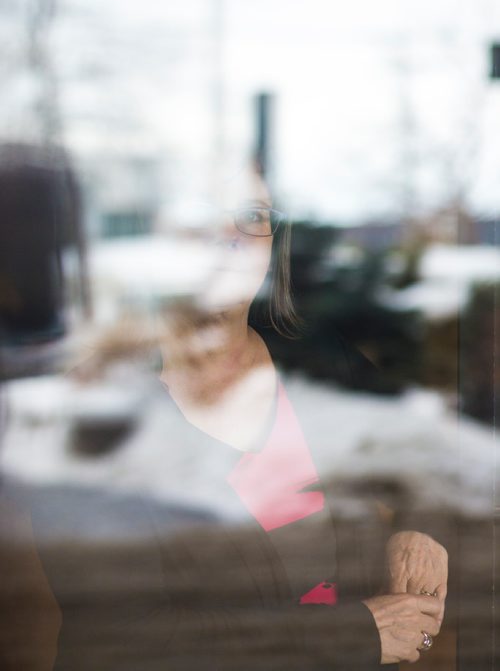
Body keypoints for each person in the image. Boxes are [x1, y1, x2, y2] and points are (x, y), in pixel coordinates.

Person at [32, 164, 448, 670]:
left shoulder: (326, 360)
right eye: (206, 215)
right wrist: (354, 635)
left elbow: (415, 460)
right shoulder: (97, 410)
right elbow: (125, 639)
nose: (235, 236)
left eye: (252, 216)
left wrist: (417, 531)